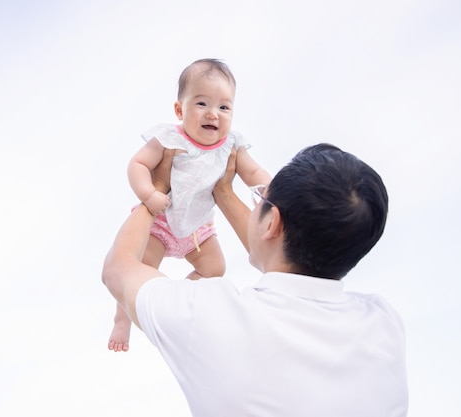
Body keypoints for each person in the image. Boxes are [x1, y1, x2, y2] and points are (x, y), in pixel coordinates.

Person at [102, 143, 408, 416]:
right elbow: (291, 263)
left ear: (272, 221)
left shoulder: (208, 314)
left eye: (259, 198)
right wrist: (223, 193)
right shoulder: (384, 325)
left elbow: (118, 269)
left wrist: (157, 187)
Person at [108, 58, 272, 352]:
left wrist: (271, 190)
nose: (213, 114)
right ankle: (123, 319)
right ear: (179, 110)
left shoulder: (232, 145)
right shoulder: (169, 138)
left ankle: (178, 298)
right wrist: (148, 194)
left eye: (224, 107)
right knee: (139, 271)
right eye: (202, 104)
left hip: (198, 230)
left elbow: (253, 173)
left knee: (215, 268)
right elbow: (138, 165)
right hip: (161, 221)